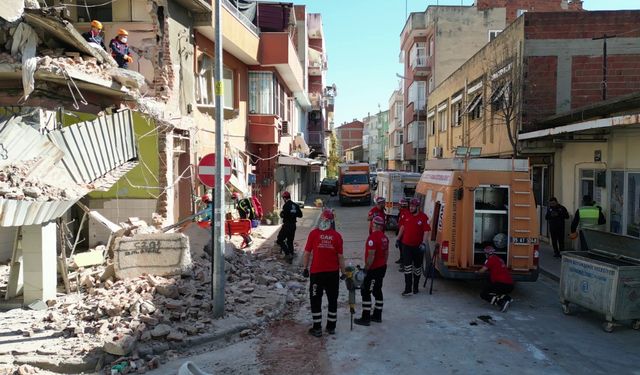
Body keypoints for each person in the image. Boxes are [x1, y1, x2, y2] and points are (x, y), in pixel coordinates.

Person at [302, 209, 346, 337]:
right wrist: (343, 272)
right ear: (333, 222)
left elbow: (307, 253)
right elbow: (340, 257)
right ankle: (331, 327)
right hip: (332, 274)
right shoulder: (337, 237)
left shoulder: (314, 234)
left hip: (317, 273)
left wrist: (305, 268)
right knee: (332, 299)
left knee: (316, 300)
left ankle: (317, 328)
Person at [354, 215, 389, 326]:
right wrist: (383, 264)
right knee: (377, 290)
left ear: (374, 225)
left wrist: (366, 269)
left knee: (366, 292)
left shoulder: (372, 238)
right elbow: (386, 254)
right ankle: (377, 315)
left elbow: (371, 256)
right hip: (382, 267)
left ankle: (366, 317)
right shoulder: (385, 237)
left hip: (374, 269)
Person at [397, 198, 430, 296]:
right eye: (410, 206)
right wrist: (398, 238)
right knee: (407, 267)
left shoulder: (424, 217)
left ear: (417, 207)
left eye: (412, 206)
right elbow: (402, 227)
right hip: (406, 246)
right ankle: (408, 289)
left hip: (418, 247)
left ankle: (415, 287)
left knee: (417, 268)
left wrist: (423, 243)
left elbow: (426, 231)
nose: (410, 208)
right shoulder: (406, 214)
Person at [476, 245, 514, 312]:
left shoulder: (490, 260)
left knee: (484, 294)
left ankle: (502, 303)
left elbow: (482, 270)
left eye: (485, 253)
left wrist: (477, 272)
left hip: (501, 284)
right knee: (496, 291)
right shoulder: (499, 259)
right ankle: (508, 299)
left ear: (487, 254)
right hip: (510, 285)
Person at [277, 191, 303, 263]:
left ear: (284, 198)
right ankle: (291, 257)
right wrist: (293, 214)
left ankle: (288, 254)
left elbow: (283, 215)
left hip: (287, 225)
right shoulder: (295, 205)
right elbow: (300, 215)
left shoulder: (286, 206)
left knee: (280, 239)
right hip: (293, 225)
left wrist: (282, 214)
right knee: (290, 241)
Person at [395, 198, 410, 266]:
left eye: (399, 205)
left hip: (403, 234)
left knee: (404, 250)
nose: (398, 206)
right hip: (401, 233)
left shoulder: (405, 213)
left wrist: (399, 237)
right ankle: (401, 259)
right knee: (401, 248)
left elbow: (403, 226)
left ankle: (404, 263)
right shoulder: (401, 212)